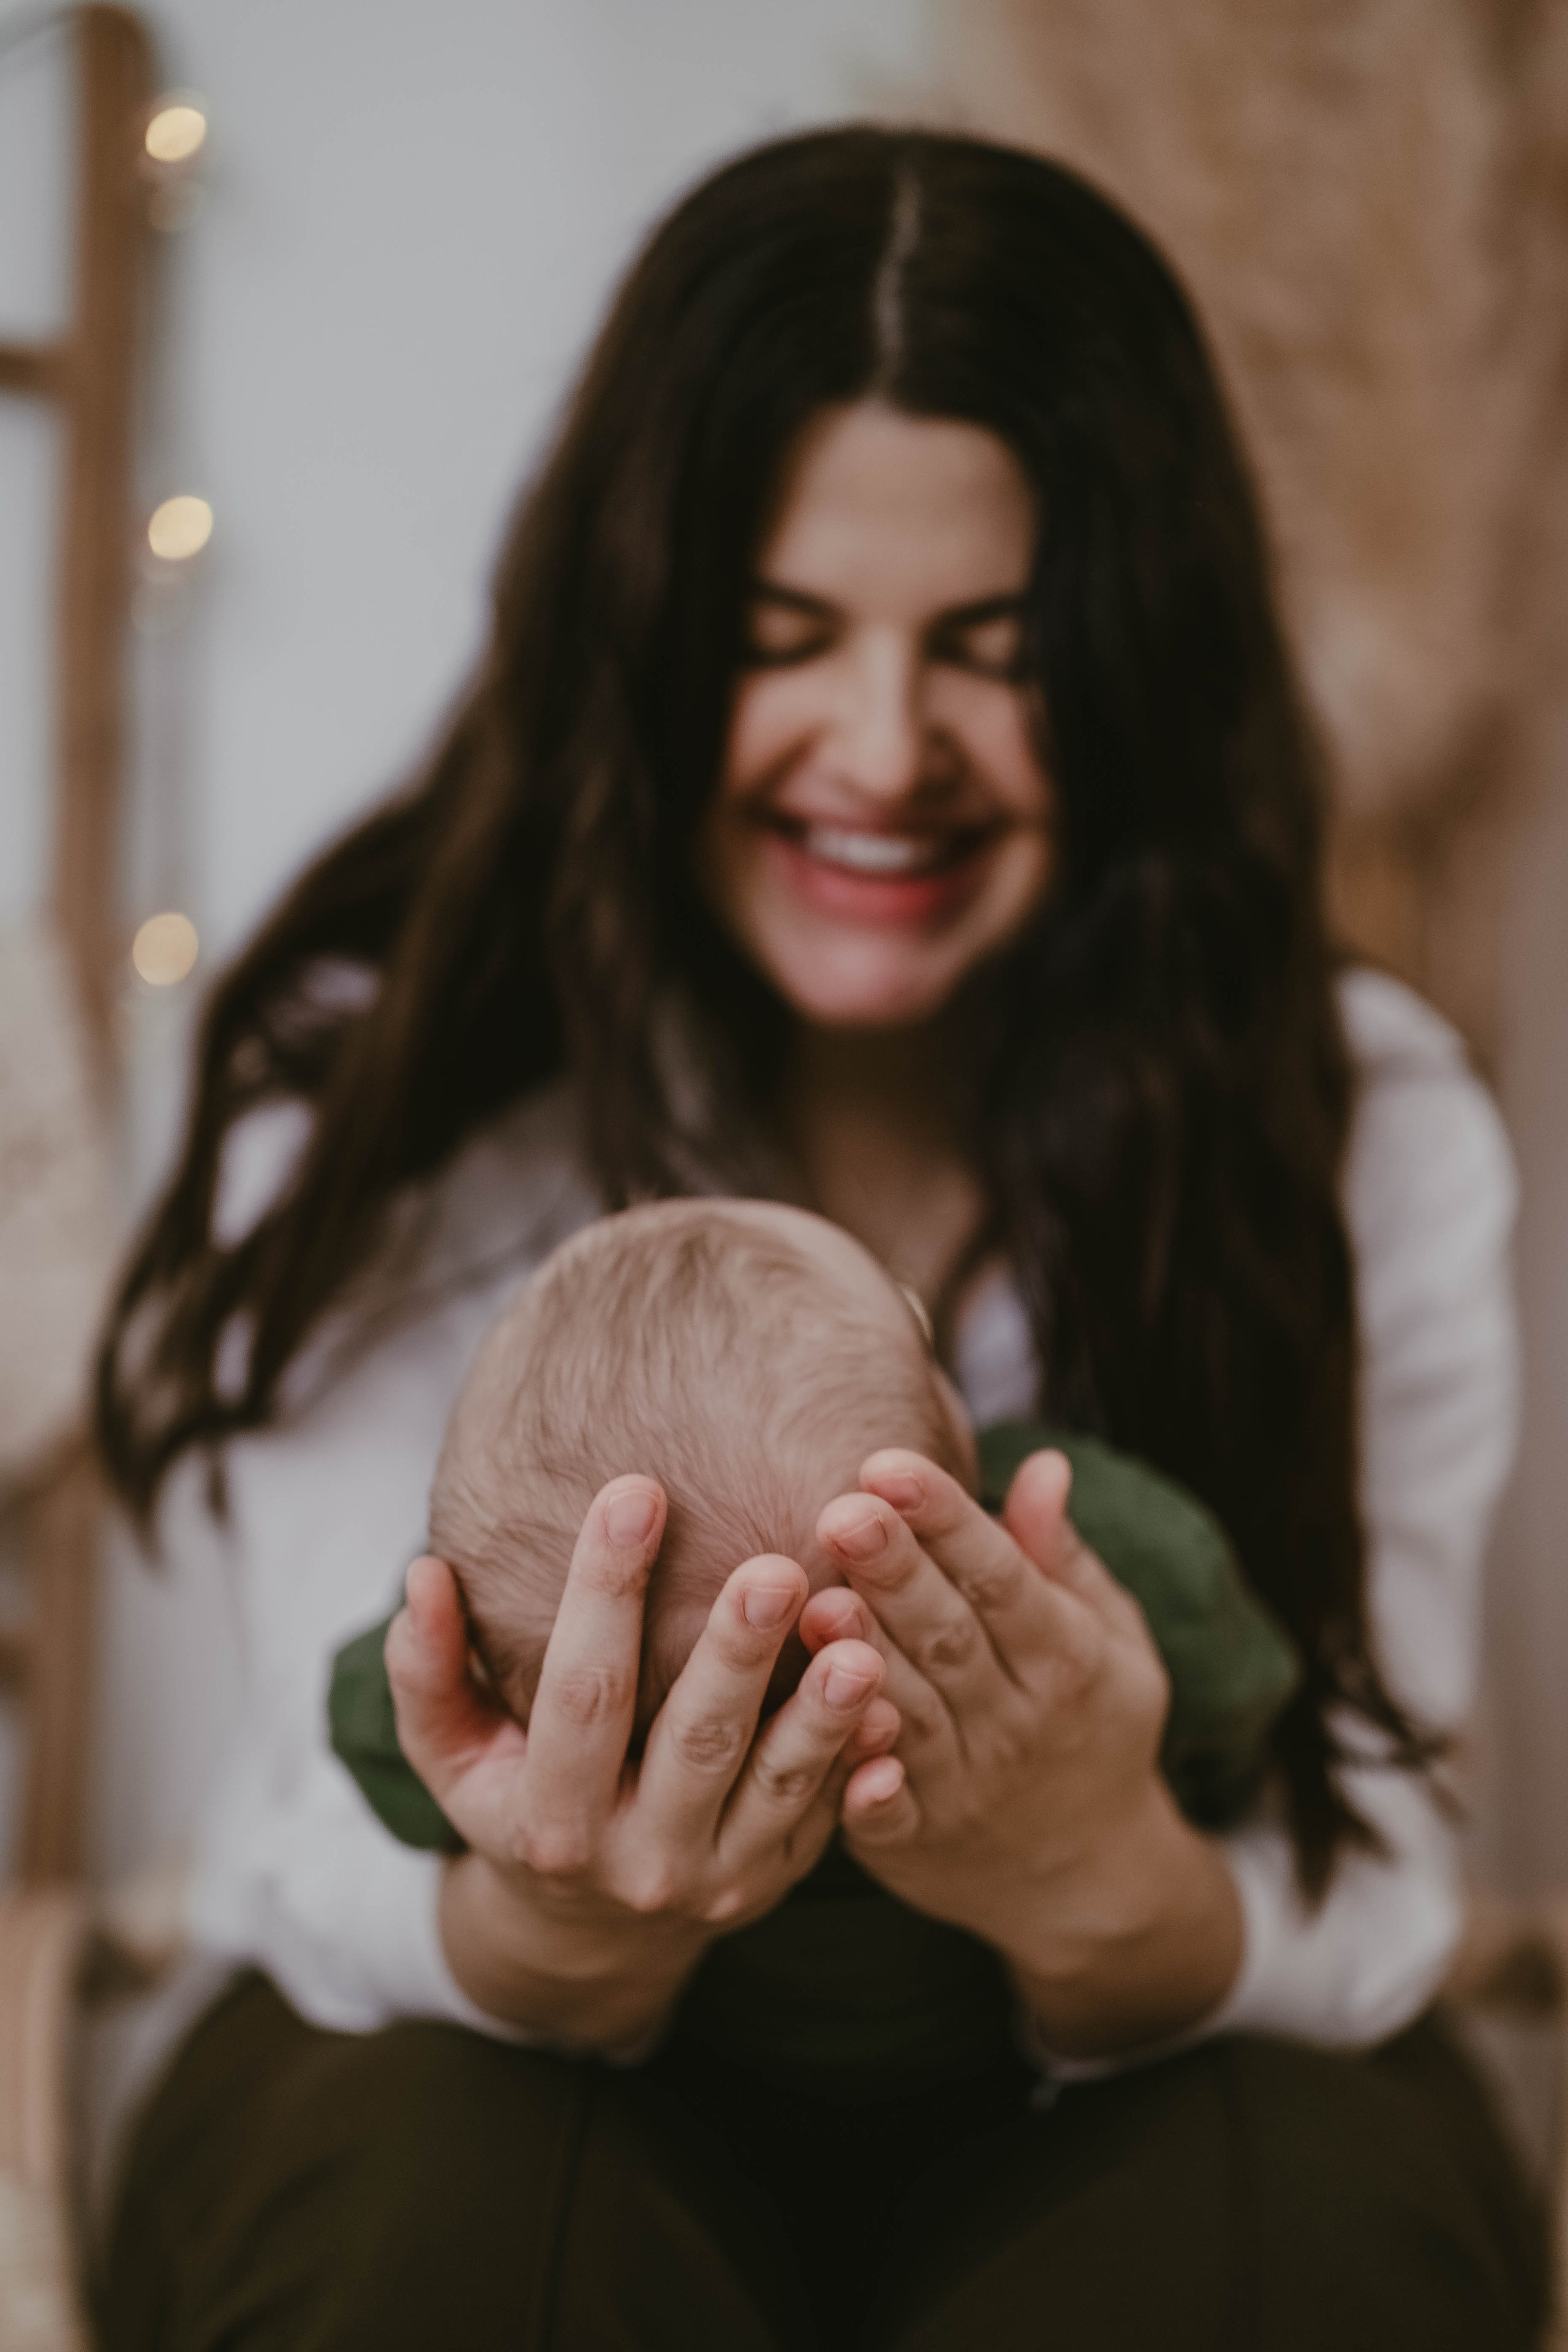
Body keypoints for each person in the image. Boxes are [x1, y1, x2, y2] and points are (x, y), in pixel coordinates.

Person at [96, 125, 1542, 2351]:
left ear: (1135, 660)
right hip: (487, 2058)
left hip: (1121, 2075)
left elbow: (1375, 1874)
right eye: (782, 643)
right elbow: (322, 1825)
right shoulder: (383, 1088)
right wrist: (570, 1934)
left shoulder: (1352, 1118)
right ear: (642, 649)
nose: (887, 750)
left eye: (996, 651)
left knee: (1297, 2213)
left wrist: (1097, 1880)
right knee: (456, 2226)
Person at [328, 1194, 1297, 1856]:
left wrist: (489, 1667)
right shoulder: (1107, 1550)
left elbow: (379, 1740)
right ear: (949, 1429)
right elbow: (1241, 1696)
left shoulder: (498, 1691)